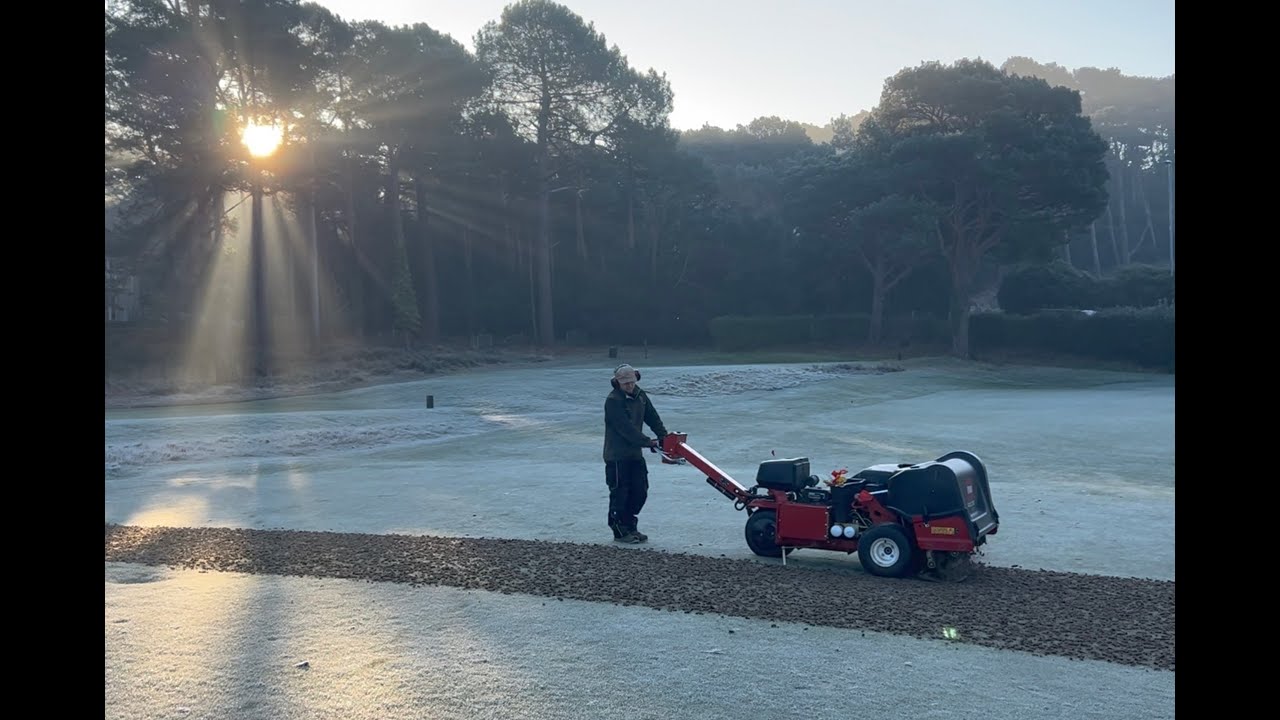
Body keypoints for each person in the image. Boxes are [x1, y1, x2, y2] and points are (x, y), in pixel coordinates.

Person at [603, 363, 668, 543]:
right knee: (620, 493)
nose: (630, 386)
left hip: (634, 455)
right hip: (616, 456)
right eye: (625, 384)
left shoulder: (640, 396)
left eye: (631, 382)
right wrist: (648, 442)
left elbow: (652, 417)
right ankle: (619, 531)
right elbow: (626, 430)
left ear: (636, 379)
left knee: (640, 491)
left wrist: (664, 437)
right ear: (617, 383)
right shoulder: (613, 401)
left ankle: (631, 526)